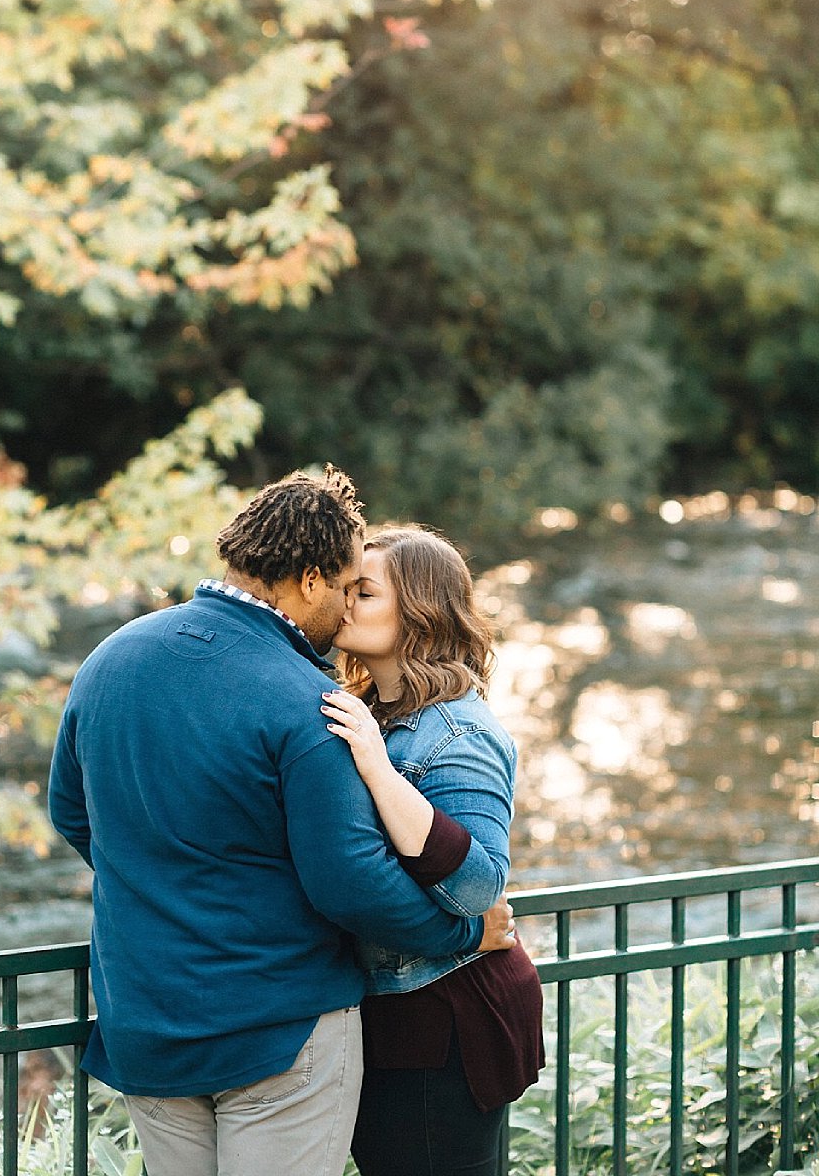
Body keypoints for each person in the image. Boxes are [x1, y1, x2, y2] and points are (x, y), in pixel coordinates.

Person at [47, 468, 515, 1176]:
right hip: (277, 1026)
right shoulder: (307, 697)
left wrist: (166, 884)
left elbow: (72, 813)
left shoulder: (111, 657)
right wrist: (463, 931)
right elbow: (350, 883)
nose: (345, 609)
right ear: (307, 581)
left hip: (144, 1013)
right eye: (345, 587)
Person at [320, 526, 545, 1176]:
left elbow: (479, 887)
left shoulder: (459, 732)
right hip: (390, 1015)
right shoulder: (368, 710)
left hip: (446, 1023)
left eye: (363, 590)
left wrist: (377, 769)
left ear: (418, 609)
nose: (344, 601)